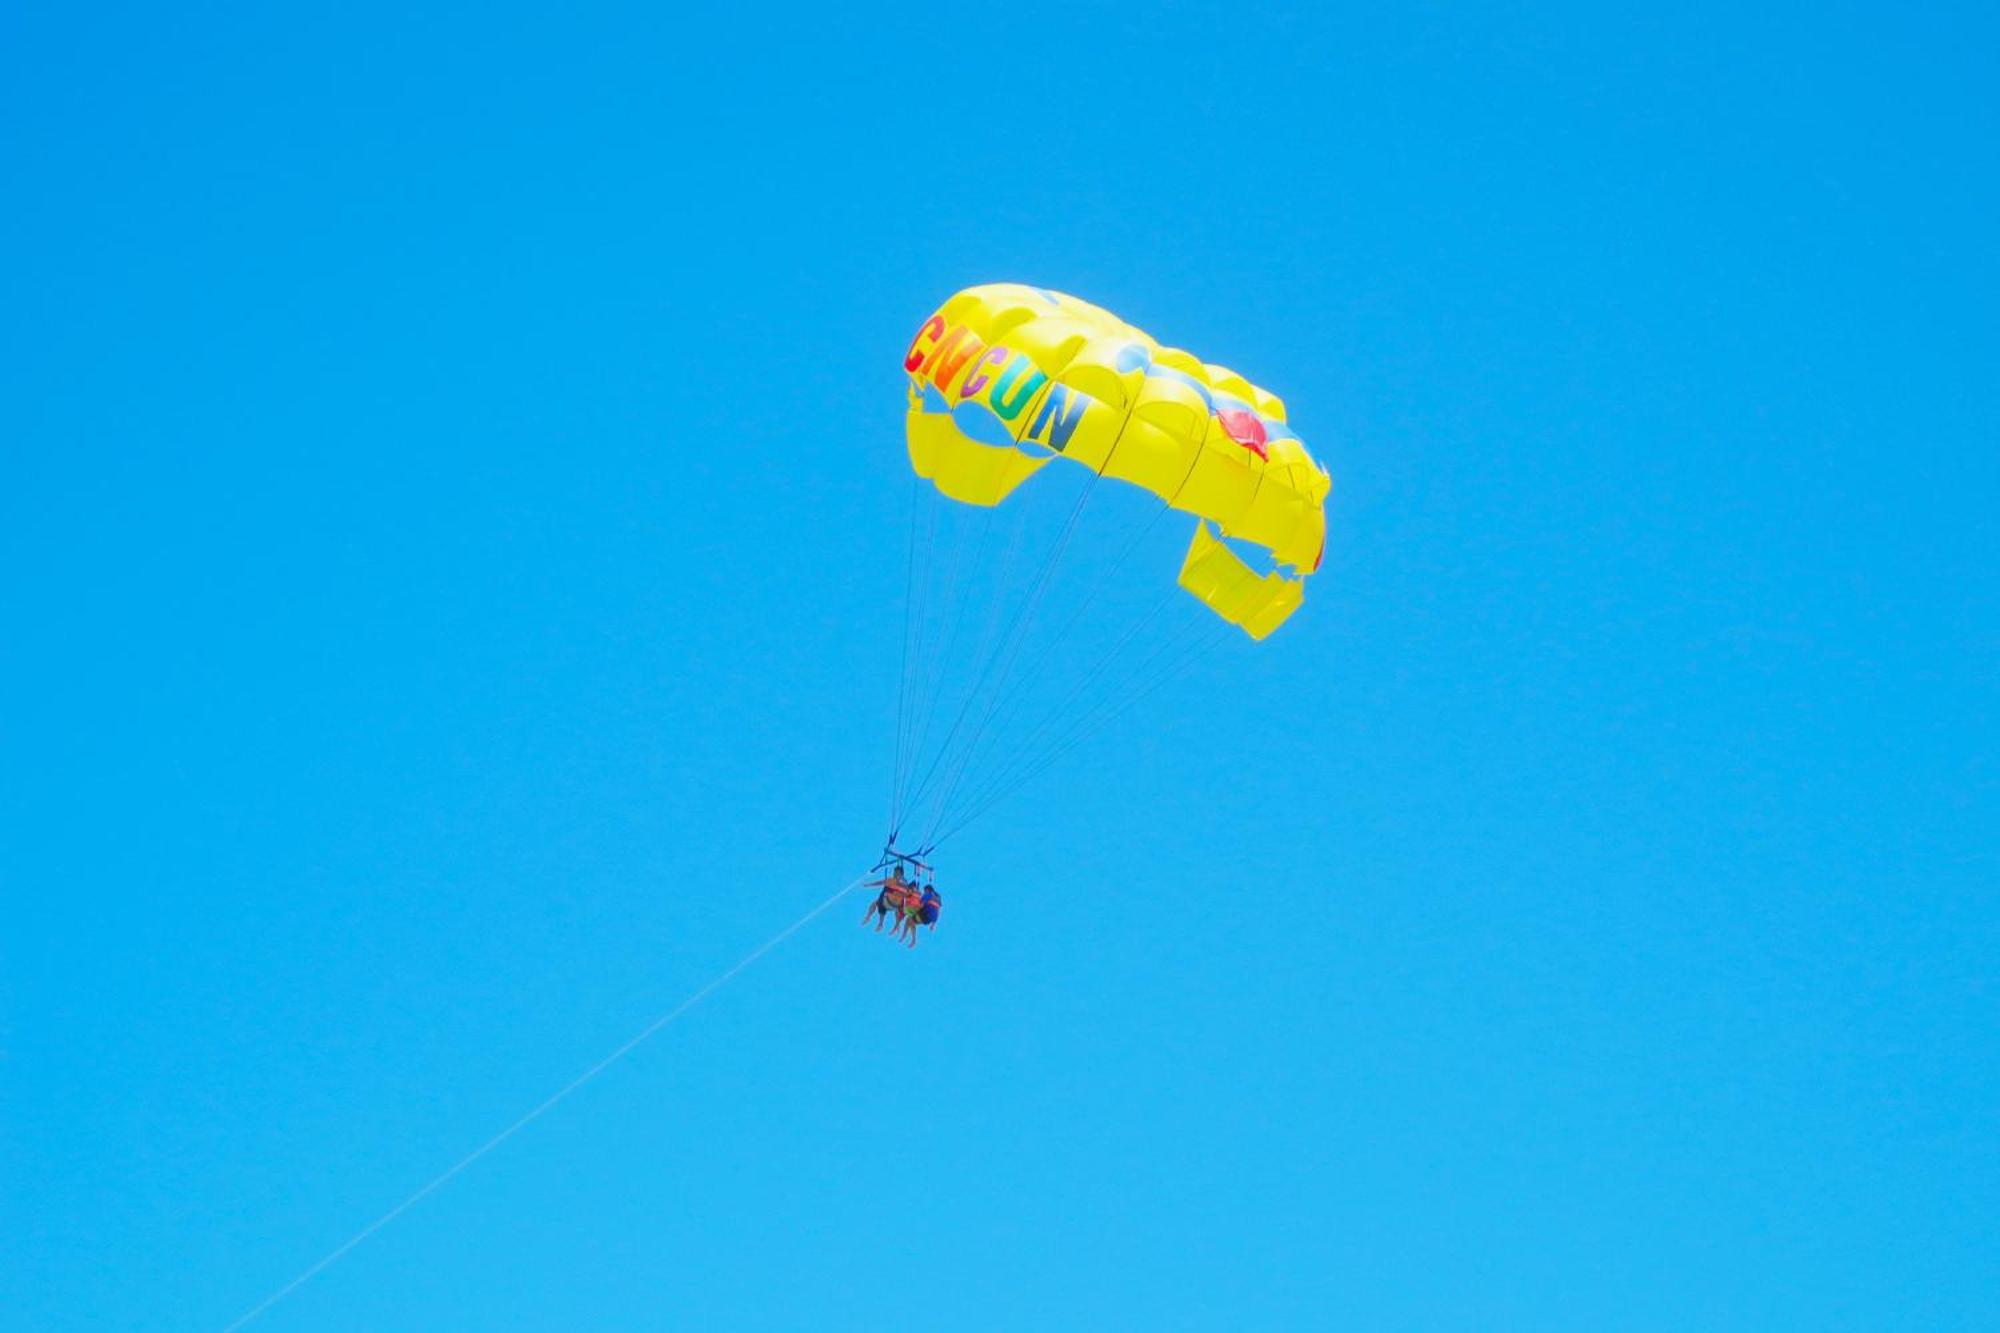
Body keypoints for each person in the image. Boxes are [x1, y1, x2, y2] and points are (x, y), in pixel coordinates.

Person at [861, 868, 914, 933]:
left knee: (876, 903)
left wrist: (869, 885)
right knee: (899, 907)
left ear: (899, 874)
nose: (894, 874)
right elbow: (908, 894)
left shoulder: (892, 880)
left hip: (888, 902)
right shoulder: (906, 885)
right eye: (894, 872)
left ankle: (872, 919)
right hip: (896, 906)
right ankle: (896, 924)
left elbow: (880, 882)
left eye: (895, 872)